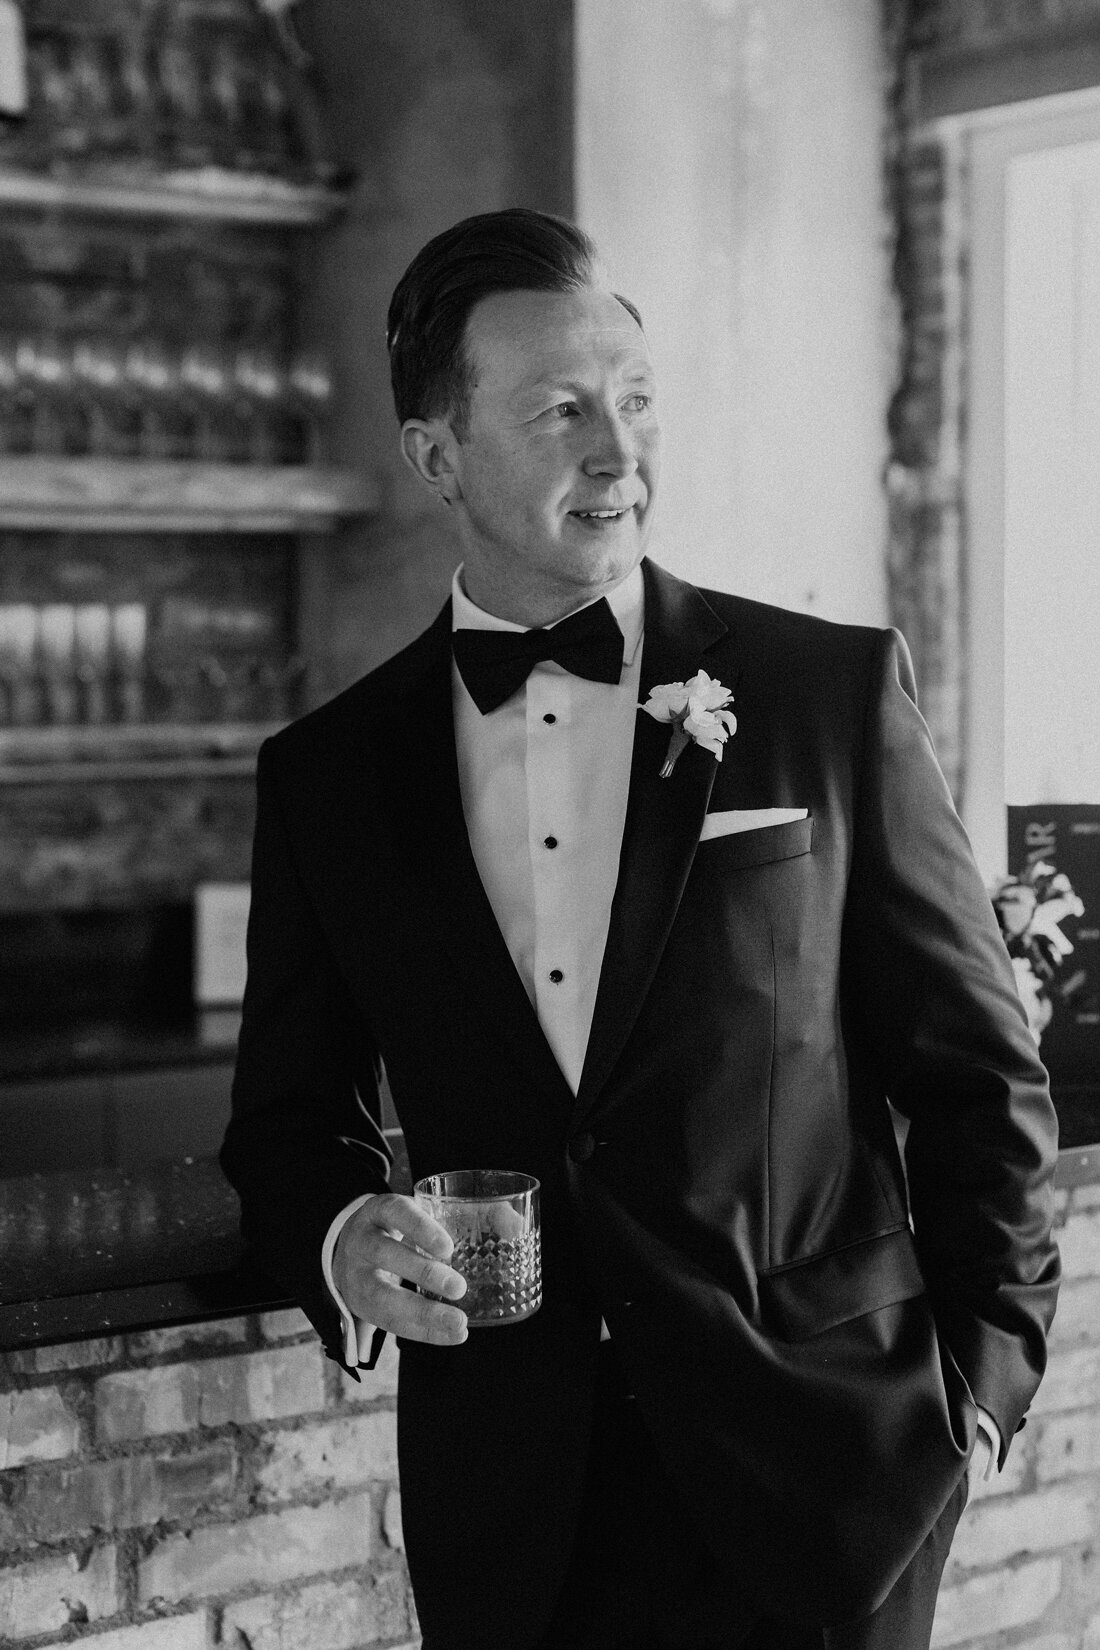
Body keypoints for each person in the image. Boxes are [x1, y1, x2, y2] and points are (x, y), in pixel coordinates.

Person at [221, 207, 1060, 1650]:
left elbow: (982, 1077)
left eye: (637, 398)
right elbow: (291, 1119)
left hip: (826, 1497)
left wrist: (980, 1394)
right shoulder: (327, 779)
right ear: (437, 456)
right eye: (559, 411)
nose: (620, 449)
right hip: (514, 1523)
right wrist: (347, 1233)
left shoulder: (826, 696)